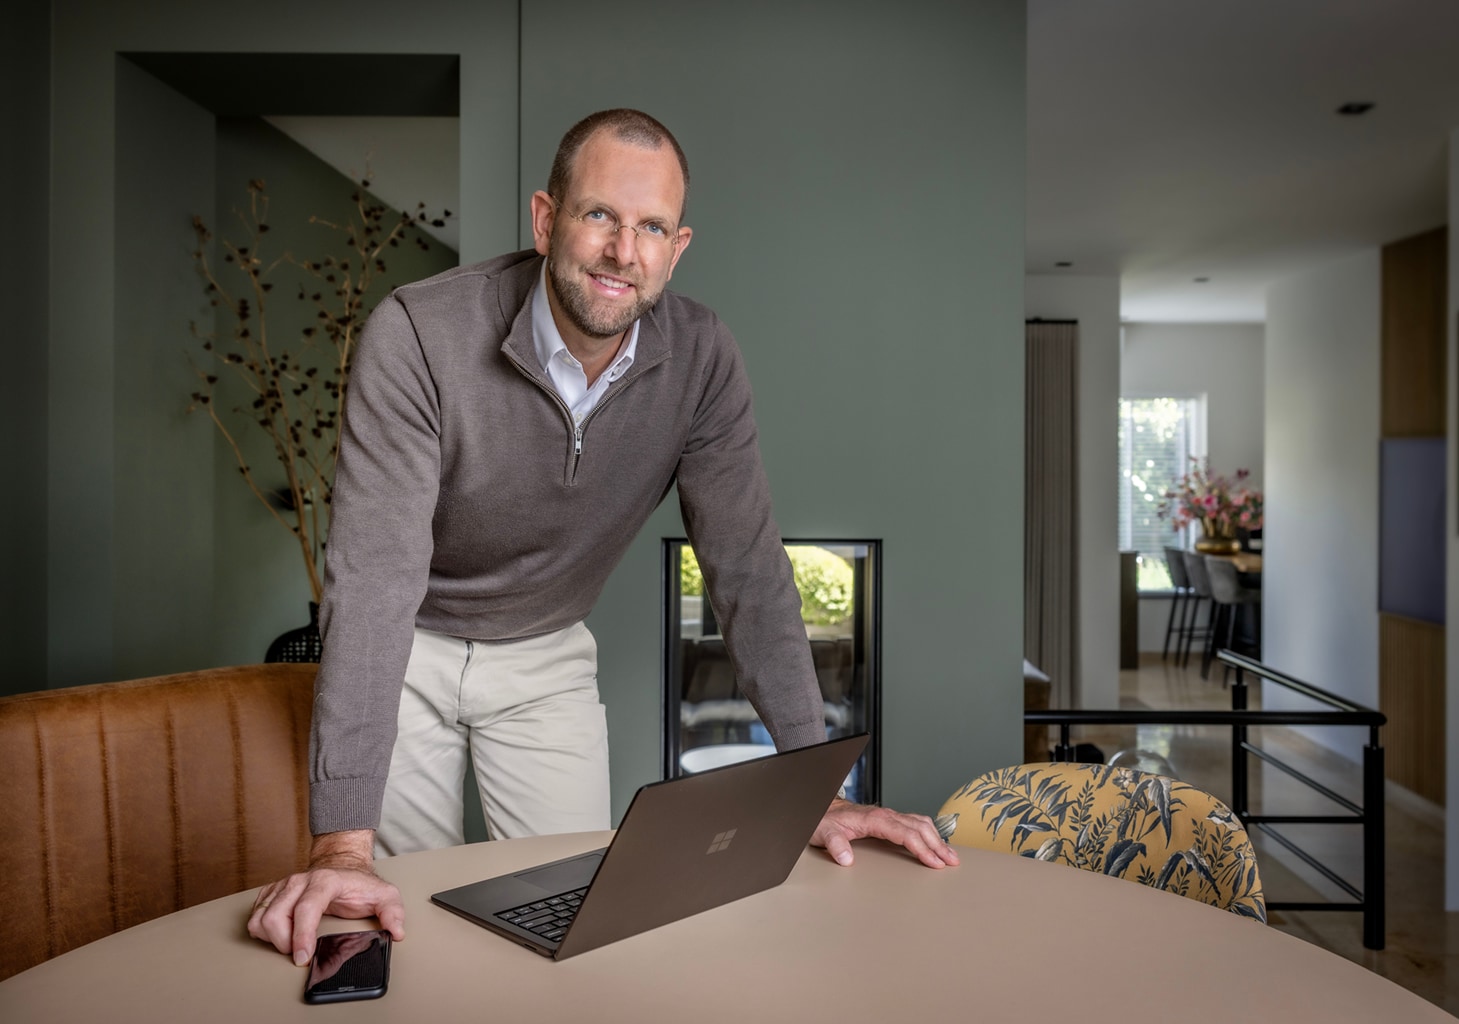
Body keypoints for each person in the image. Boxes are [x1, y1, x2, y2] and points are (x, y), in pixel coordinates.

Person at [248, 109, 958, 966]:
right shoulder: (420, 334)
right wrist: (338, 849)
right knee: (394, 911)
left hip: (545, 654)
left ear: (677, 245)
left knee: (578, 919)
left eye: (651, 226)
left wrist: (814, 786)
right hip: (409, 649)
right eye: (599, 217)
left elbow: (746, 571)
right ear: (546, 220)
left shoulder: (701, 359)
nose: (624, 251)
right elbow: (375, 579)